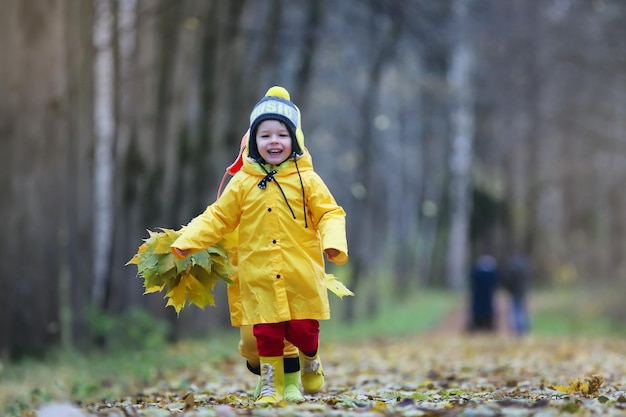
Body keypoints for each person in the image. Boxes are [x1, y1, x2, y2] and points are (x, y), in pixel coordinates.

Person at [171, 86, 349, 404]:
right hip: (259, 272)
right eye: (264, 136)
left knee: (302, 329)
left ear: (295, 140)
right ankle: (270, 385)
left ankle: (311, 357)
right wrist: (188, 241)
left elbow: (330, 213)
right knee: (266, 333)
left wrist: (333, 243)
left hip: (299, 272)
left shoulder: (307, 179)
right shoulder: (243, 183)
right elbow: (218, 217)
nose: (273, 142)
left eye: (281, 135)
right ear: (253, 142)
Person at [467, 253, 498, 331]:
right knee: (486, 316)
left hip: (479, 301)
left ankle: (478, 327)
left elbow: (472, 281)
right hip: (486, 302)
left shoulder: (477, 273)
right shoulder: (491, 274)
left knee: (478, 316)